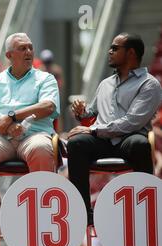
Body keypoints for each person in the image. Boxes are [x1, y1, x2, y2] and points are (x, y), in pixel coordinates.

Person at [67, 33, 162, 226]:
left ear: (131, 53)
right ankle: (83, 212)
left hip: (129, 137)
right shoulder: (105, 84)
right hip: (102, 139)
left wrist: (93, 131)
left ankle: (145, 210)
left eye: (115, 48)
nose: (109, 51)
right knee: (76, 143)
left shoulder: (149, 84)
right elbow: (91, 113)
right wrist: (80, 112)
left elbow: (132, 122)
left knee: (141, 144)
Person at [0, 33, 60, 225]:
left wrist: (12, 117)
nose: (28, 51)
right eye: (22, 48)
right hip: (2, 138)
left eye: (30, 47)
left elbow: (48, 107)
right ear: (9, 55)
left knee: (42, 149)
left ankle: (41, 209)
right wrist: (1, 126)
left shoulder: (45, 78)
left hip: (34, 135)